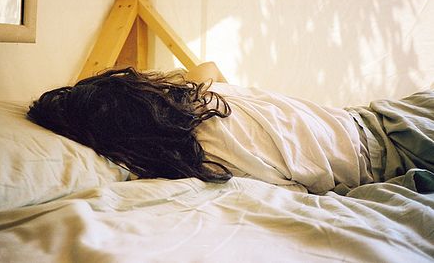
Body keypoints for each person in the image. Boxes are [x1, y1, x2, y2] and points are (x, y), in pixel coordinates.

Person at [28, 62, 434, 194]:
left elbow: (299, 191)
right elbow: (206, 67)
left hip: (399, 144)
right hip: (391, 115)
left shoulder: (209, 154)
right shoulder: (199, 97)